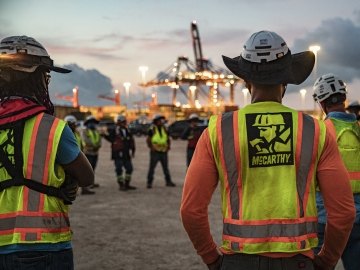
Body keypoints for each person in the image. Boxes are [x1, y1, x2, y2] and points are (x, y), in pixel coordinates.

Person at [180, 31, 355, 270]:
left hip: (238, 261)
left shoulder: (218, 130)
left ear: (245, 81)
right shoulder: (316, 130)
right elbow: (343, 213)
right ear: (286, 81)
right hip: (299, 262)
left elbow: (191, 210)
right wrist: (326, 261)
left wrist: (212, 259)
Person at [0, 35, 94, 270]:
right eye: (46, 76)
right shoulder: (51, 127)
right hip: (43, 245)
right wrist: (64, 182)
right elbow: (87, 177)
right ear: (36, 78)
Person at [312, 73, 360, 270]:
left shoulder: (320, 131)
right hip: (358, 219)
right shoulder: (358, 129)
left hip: (325, 217)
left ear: (322, 103)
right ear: (344, 98)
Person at [104, 115, 136, 191]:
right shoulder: (114, 131)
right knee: (119, 169)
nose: (123, 123)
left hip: (126, 153)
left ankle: (127, 184)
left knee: (129, 168)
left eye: (124, 122)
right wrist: (105, 135)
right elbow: (110, 139)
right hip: (117, 153)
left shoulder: (128, 130)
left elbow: (131, 141)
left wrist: (133, 150)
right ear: (118, 123)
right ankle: (121, 185)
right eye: (121, 122)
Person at [146, 114, 176, 188]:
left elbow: (167, 138)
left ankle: (168, 181)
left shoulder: (165, 129)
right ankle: (149, 182)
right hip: (155, 151)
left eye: (161, 120)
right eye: (159, 120)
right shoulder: (152, 129)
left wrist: (168, 146)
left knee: (165, 167)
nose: (161, 121)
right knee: (152, 167)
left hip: (163, 151)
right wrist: (151, 147)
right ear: (156, 121)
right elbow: (148, 139)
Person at [81, 115, 102, 194]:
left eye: (94, 123)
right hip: (88, 153)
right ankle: (86, 186)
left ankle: (91, 183)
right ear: (87, 123)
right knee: (87, 170)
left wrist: (97, 146)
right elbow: (85, 141)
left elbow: (99, 140)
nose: (93, 124)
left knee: (93, 168)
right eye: (91, 123)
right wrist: (93, 147)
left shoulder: (96, 131)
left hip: (95, 153)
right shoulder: (84, 131)